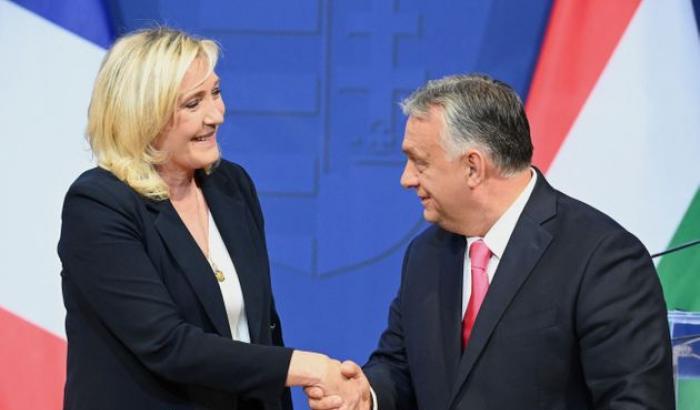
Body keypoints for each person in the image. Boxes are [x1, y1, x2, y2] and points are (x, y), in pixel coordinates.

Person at [306, 74, 675, 409]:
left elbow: (636, 402)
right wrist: (367, 396)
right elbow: (400, 367)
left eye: (420, 163)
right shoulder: (426, 255)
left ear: (473, 167)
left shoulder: (602, 257)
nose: (407, 179)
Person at [58, 27, 361, 410]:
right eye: (193, 103)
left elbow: (262, 329)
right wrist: (308, 368)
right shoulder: (99, 204)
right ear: (143, 115)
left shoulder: (230, 185)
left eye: (215, 93)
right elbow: (167, 344)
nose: (217, 115)